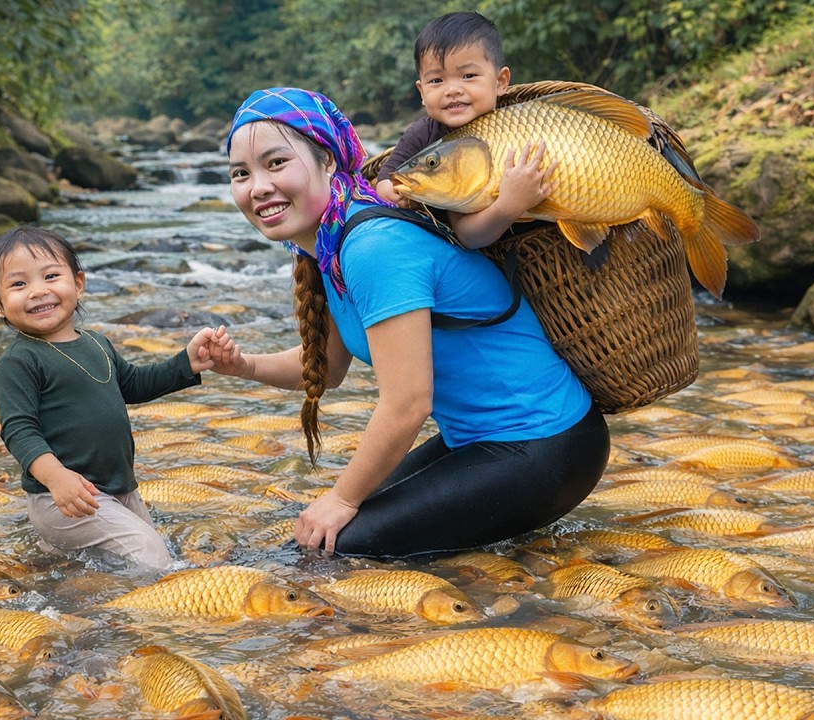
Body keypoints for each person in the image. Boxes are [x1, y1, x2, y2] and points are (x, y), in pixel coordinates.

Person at [216, 87, 609, 559]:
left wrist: (341, 499)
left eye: (276, 163)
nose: (258, 187)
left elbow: (408, 404)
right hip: (484, 441)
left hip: (545, 444)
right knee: (320, 541)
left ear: (328, 161)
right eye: (241, 173)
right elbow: (328, 368)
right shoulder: (329, 246)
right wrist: (241, 365)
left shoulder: (372, 246)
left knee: (330, 551)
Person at [0, 225, 233, 569]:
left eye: (51, 276)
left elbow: (134, 384)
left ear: (78, 283)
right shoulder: (19, 361)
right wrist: (57, 478)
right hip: (64, 496)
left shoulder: (96, 343)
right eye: (18, 284)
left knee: (138, 554)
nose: (38, 291)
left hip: (119, 489)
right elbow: (19, 431)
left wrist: (186, 363)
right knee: (150, 553)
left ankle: (57, 575)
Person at [374, 11, 557, 250]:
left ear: (500, 82)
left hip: (540, 248)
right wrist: (392, 192)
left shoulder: (520, 122)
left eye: (468, 76)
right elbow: (387, 179)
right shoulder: (422, 134)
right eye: (436, 81)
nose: (452, 90)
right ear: (422, 91)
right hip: (459, 251)